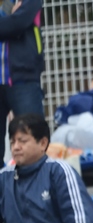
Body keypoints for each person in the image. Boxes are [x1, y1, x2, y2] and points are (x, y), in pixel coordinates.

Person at [0, 0, 45, 162]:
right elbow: (12, 24)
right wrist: (9, 18)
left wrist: (12, 22)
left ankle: (37, 179)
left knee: (32, 142)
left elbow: (18, 23)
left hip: (24, 80)